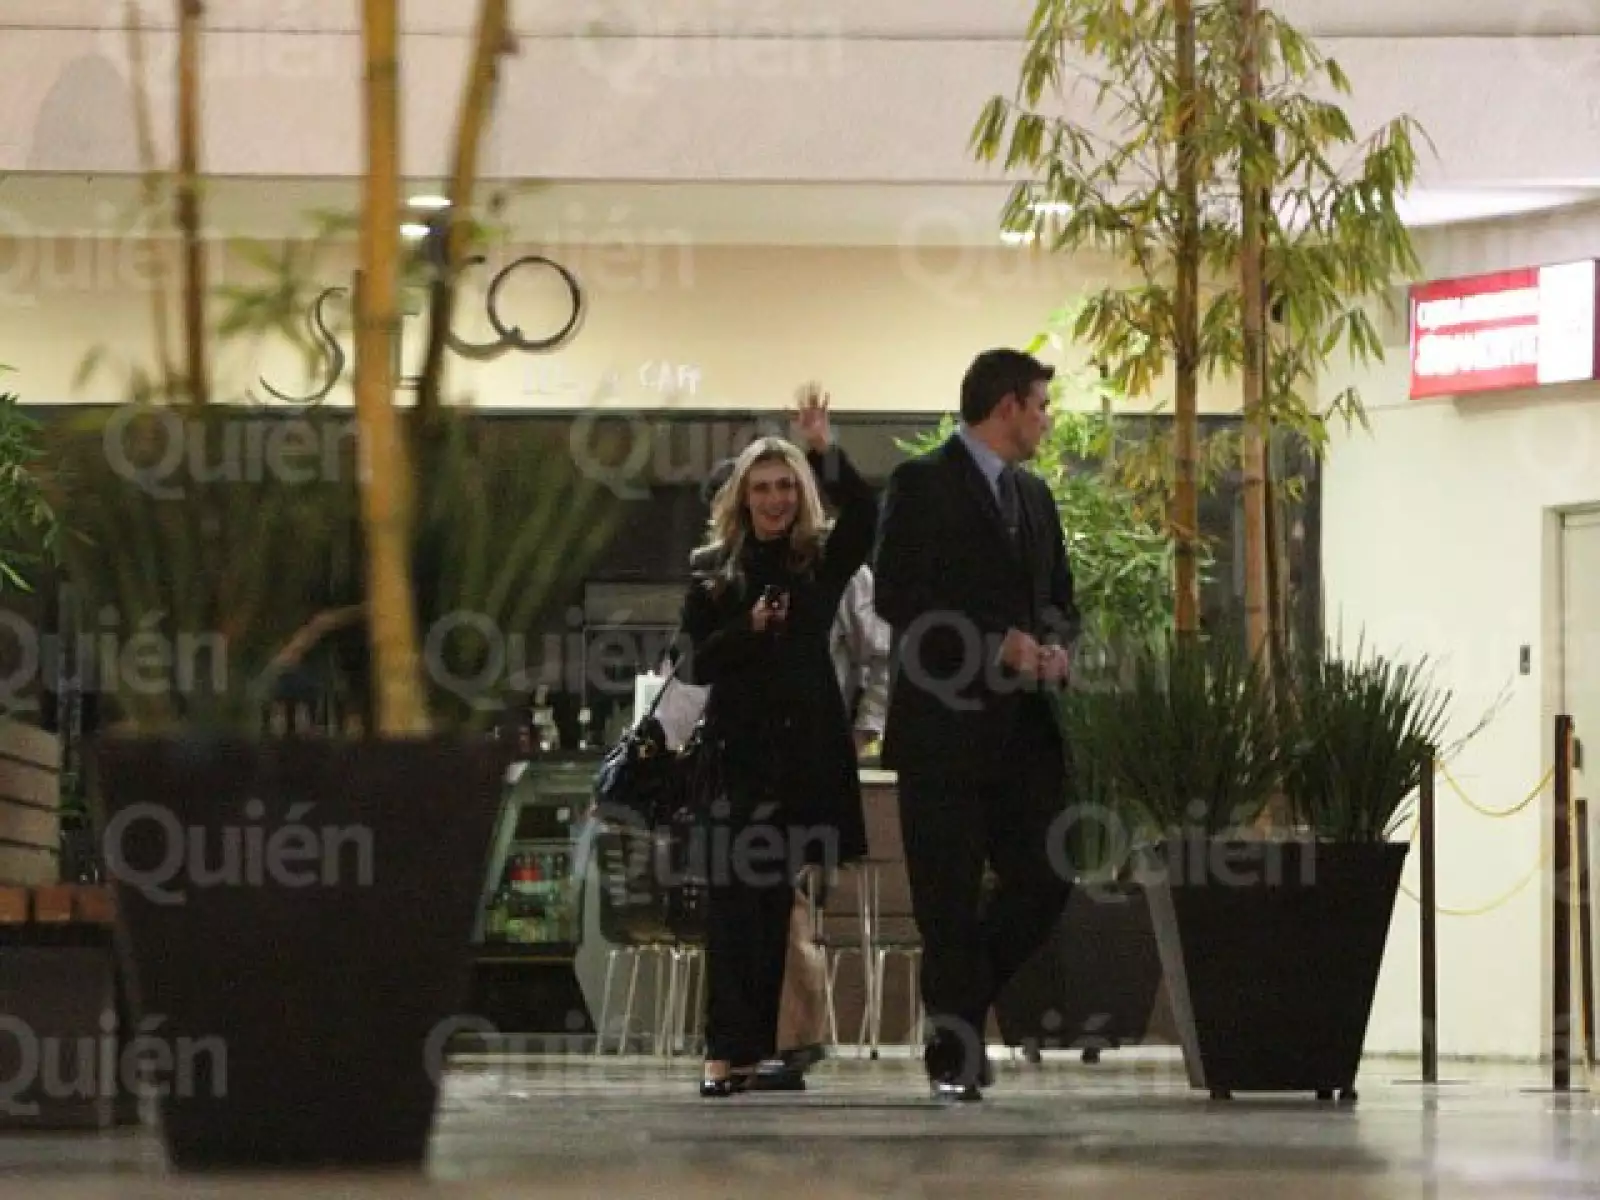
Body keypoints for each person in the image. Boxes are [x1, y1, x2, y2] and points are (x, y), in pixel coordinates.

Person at [872, 347, 1080, 1103]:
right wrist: (993, 645)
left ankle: (954, 1014)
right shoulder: (920, 484)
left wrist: (1056, 651)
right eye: (1041, 407)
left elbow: (1060, 600)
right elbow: (898, 598)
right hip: (943, 734)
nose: (1046, 422)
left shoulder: (1036, 498)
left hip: (1025, 733)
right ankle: (955, 1052)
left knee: (1047, 878)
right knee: (947, 899)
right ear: (1005, 409)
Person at [678, 385, 877, 1097]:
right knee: (732, 911)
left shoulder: (816, 565)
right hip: (736, 756)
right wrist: (747, 631)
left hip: (801, 758)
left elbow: (869, 518)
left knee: (769, 912)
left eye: (787, 485)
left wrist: (826, 450)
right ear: (742, 495)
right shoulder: (714, 569)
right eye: (761, 487)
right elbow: (695, 663)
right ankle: (720, 1054)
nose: (774, 498)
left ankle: (757, 1052)